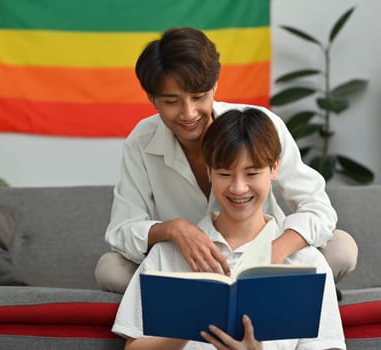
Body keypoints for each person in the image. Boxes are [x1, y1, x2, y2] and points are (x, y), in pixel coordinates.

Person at [95, 26, 357, 293]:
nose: (188, 113)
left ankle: (283, 291)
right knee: (110, 268)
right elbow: (121, 230)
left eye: (198, 97)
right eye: (172, 101)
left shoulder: (260, 125)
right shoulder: (141, 141)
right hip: (186, 267)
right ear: (152, 98)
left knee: (342, 248)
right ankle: (199, 300)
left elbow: (318, 207)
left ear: (214, 87)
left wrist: (272, 254)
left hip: (264, 260)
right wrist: (173, 229)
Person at [112, 108, 346, 349]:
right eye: (224, 173)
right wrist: (188, 328)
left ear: (274, 169)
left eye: (252, 173)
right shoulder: (166, 255)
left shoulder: (308, 264)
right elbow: (133, 346)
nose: (238, 188)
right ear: (209, 172)